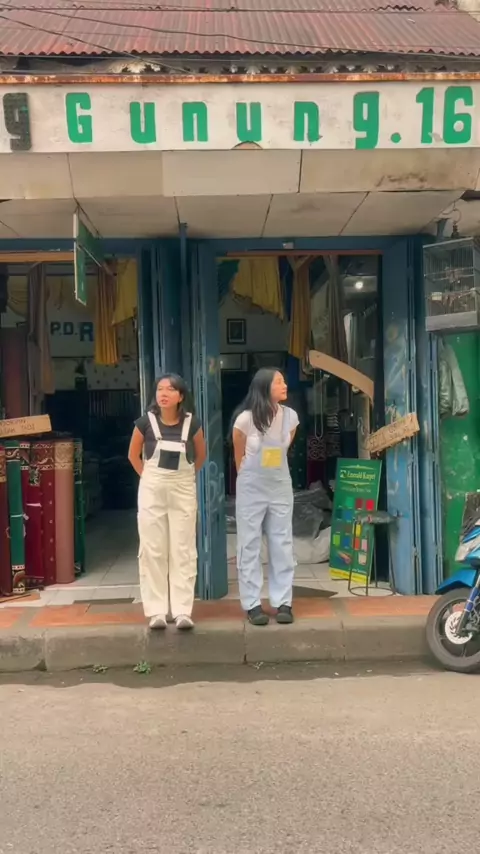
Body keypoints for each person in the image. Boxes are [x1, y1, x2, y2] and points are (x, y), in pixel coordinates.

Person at [128, 374, 206, 631]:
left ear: (180, 396)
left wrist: (184, 479)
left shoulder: (192, 423)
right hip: (152, 491)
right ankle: (157, 611)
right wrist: (149, 478)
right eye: (160, 389)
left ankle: (183, 611)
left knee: (183, 549)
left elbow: (201, 455)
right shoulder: (144, 423)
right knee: (153, 549)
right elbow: (133, 456)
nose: (163, 394)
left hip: (182, 490)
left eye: (170, 390)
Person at [232, 368, 299, 626]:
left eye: (284, 381)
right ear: (264, 387)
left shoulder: (290, 417)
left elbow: (285, 448)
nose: (284, 385)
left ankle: (283, 602)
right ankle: (252, 603)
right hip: (251, 487)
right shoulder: (245, 419)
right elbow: (238, 454)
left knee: (282, 542)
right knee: (249, 544)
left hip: (279, 485)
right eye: (278, 382)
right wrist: (246, 476)